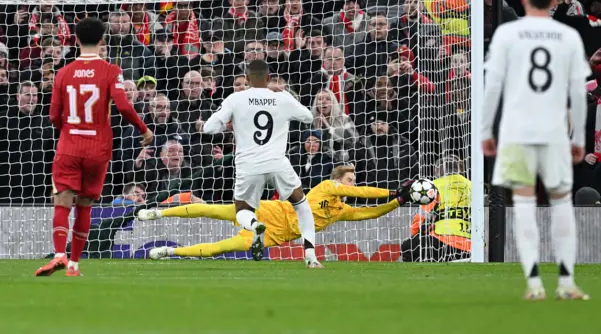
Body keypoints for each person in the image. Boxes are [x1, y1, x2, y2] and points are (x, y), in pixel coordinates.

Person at [482, 0, 591, 300]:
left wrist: (486, 129)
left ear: (525, 0)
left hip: (516, 132)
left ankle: (533, 284)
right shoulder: (568, 36)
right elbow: (578, 92)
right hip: (554, 131)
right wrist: (579, 137)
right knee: (561, 204)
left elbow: (493, 87)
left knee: (525, 204)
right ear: (554, 1)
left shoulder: (507, 33)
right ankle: (567, 282)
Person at [35, 17, 153, 277]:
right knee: (85, 206)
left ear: (75, 40)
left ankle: (58, 255)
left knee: (62, 201)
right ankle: (75, 265)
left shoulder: (64, 73)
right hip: (98, 148)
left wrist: (67, 130)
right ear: (102, 40)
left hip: (69, 145)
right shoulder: (112, 71)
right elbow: (123, 106)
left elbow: (54, 115)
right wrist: (144, 129)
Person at [138, 166, 415, 259]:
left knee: (219, 248)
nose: (352, 184)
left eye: (354, 179)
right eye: (350, 179)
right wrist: (392, 191)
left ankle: (169, 252)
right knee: (215, 211)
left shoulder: (340, 210)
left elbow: (369, 213)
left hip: (276, 235)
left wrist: (397, 203)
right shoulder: (328, 186)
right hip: (271, 211)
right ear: (339, 180)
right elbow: (363, 193)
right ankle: (159, 213)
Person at [197, 59, 320, 267]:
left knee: (242, 211)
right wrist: (284, 102)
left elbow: (208, 128)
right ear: (269, 78)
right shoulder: (282, 98)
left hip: (248, 165)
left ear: (246, 79)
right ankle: (311, 256)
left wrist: (230, 125)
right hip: (277, 162)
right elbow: (308, 117)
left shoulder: (236, 99)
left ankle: (255, 225)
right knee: (301, 204)